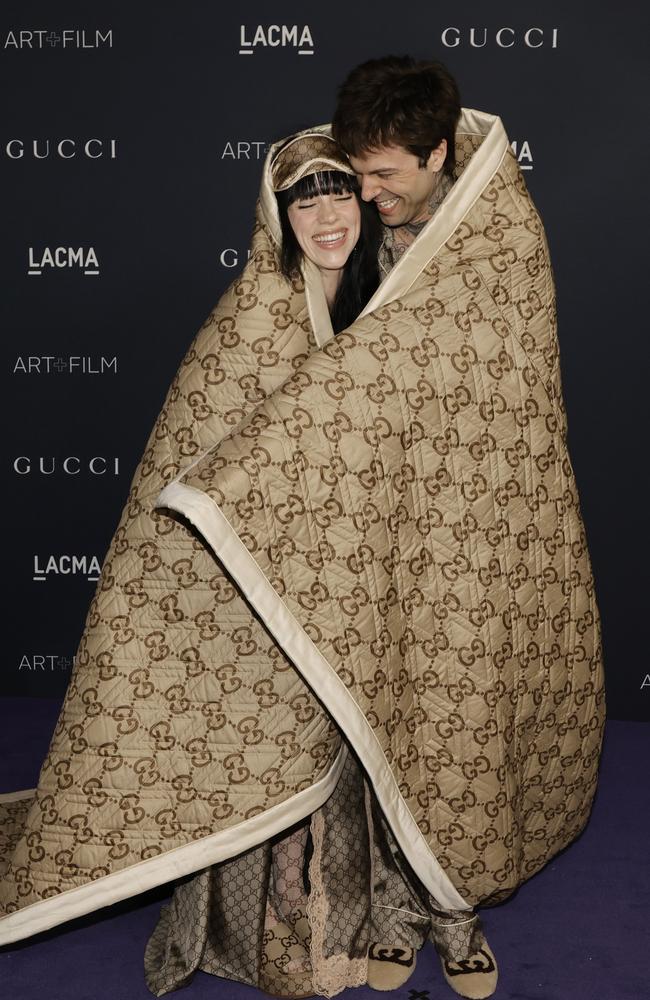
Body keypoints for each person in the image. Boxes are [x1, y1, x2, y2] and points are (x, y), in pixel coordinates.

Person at [156, 55, 604, 1000]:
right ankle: (394, 910)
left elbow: (493, 394)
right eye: (358, 174)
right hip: (382, 532)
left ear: (440, 153)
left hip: (476, 532)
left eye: (388, 174)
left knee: (461, 717)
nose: (369, 195)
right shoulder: (360, 236)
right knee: (382, 719)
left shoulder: (500, 243)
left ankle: (458, 914)